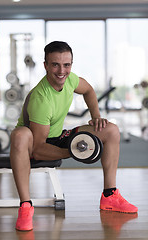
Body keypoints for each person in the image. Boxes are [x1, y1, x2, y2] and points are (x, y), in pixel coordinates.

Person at [10, 41, 138, 231]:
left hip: (56, 136)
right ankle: (26, 206)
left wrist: (96, 118)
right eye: (55, 64)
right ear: (45, 65)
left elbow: (88, 90)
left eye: (66, 65)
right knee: (20, 135)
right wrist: (73, 151)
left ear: (71, 64)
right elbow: (38, 149)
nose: (62, 70)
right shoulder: (41, 98)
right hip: (33, 144)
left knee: (110, 130)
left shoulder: (70, 80)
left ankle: (110, 196)